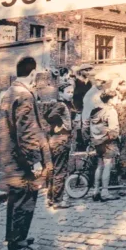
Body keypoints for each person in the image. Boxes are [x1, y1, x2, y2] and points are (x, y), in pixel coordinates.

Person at [0, 56, 52, 250]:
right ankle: (19, 246)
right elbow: (27, 132)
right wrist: (35, 160)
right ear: (32, 73)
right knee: (25, 200)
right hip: (23, 160)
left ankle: (13, 238)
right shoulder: (24, 95)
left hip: (12, 157)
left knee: (15, 200)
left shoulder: (9, 92)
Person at [44, 81, 74, 209]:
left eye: (72, 92)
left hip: (56, 140)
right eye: (68, 92)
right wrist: (61, 126)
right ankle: (58, 201)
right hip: (61, 140)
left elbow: (46, 115)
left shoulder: (61, 104)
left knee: (55, 170)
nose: (71, 94)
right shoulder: (61, 105)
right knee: (60, 171)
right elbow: (50, 116)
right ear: (61, 93)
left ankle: (51, 198)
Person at [89, 89, 121, 202]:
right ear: (110, 99)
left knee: (100, 166)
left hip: (98, 142)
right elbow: (113, 130)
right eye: (116, 98)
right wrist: (116, 137)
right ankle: (105, 192)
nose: (118, 100)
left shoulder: (96, 111)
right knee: (107, 166)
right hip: (108, 142)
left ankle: (96, 191)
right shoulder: (111, 111)